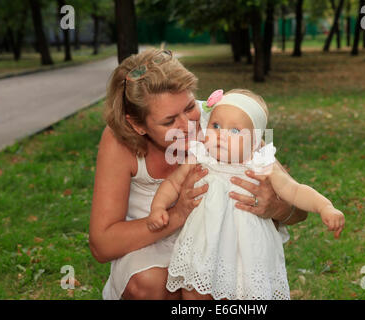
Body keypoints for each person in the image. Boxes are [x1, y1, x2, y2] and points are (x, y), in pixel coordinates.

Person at [89, 48, 308, 300]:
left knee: (221, 284)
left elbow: (298, 209)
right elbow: (102, 245)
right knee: (154, 284)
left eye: (190, 106)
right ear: (137, 125)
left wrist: (276, 207)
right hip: (148, 243)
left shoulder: (223, 122)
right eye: (169, 121)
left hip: (213, 240)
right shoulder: (119, 141)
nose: (188, 125)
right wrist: (178, 214)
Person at [147, 89, 345, 300]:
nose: (221, 134)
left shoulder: (260, 162)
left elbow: (294, 190)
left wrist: (324, 206)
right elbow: (172, 183)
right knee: (194, 291)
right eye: (216, 126)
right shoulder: (201, 156)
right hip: (203, 241)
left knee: (238, 291)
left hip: (246, 247)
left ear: (255, 141)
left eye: (235, 131)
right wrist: (158, 207)